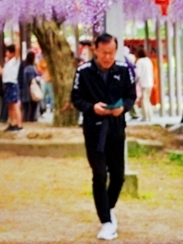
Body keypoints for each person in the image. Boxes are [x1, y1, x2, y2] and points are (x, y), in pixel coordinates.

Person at [71, 33, 137, 241]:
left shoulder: (124, 70)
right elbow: (76, 98)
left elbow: (131, 96)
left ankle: (108, 208)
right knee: (99, 174)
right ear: (96, 51)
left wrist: (123, 108)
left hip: (116, 128)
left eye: (111, 53)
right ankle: (106, 221)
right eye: (104, 53)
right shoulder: (83, 72)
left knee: (118, 175)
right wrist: (92, 108)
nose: (107, 57)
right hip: (94, 130)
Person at [0, 43, 23, 132]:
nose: (6, 53)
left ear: (12, 53)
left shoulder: (15, 61)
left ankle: (19, 124)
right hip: (7, 84)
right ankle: (12, 123)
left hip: (12, 84)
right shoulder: (8, 63)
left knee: (15, 105)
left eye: (8, 52)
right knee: (10, 106)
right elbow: (1, 73)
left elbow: (17, 50)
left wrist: (16, 41)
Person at [134, 47, 155, 123]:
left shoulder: (139, 61)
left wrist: (135, 81)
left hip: (143, 83)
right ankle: (150, 115)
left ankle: (145, 116)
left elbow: (137, 73)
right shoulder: (148, 60)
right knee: (147, 100)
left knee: (144, 100)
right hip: (150, 82)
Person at [21, 50, 41, 123]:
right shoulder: (31, 68)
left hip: (26, 90)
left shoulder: (26, 68)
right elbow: (31, 79)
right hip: (31, 90)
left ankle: (27, 119)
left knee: (27, 108)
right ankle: (30, 119)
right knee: (32, 106)